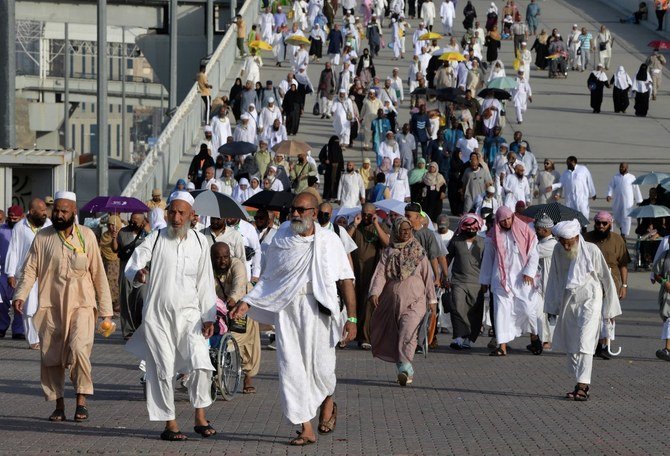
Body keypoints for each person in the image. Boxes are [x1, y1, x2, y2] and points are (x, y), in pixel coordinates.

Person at [229, 192, 357, 446]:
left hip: (319, 308)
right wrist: (247, 301)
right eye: (293, 210)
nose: (295, 214)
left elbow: (345, 280)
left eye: (301, 210)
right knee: (291, 368)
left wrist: (352, 318)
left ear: (314, 212)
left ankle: (327, 399)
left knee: (321, 368)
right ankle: (305, 427)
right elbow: (268, 278)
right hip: (288, 309)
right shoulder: (281, 238)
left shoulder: (330, 241)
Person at [13, 191, 112, 422]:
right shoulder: (43, 238)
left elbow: (99, 275)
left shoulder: (86, 236)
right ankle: (59, 405)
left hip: (82, 306)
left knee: (79, 349)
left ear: (74, 212)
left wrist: (106, 311)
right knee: (51, 358)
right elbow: (29, 270)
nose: (58, 215)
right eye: (55, 210)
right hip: (51, 307)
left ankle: (81, 400)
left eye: (63, 211)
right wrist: (21, 294)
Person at [125, 192, 217, 441]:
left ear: (191, 216)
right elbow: (132, 265)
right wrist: (138, 274)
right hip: (158, 317)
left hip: (190, 316)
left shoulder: (200, 242)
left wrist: (209, 316)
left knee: (201, 364)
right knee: (162, 370)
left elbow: (206, 283)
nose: (176, 218)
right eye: (172, 212)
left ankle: (200, 416)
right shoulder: (155, 239)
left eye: (181, 213)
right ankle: (170, 423)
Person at [545, 220, 622, 401]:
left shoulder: (592, 250)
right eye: (562, 241)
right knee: (572, 344)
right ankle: (579, 380)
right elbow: (554, 277)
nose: (566, 245)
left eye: (569, 241)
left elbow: (606, 277)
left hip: (591, 298)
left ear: (577, 237)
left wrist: (609, 309)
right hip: (569, 300)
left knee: (585, 341)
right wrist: (552, 305)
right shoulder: (557, 250)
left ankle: (583, 386)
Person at [368, 217, 437, 385]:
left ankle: (405, 367)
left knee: (408, 330)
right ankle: (404, 369)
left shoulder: (418, 251)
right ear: (397, 231)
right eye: (402, 230)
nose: (405, 233)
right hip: (392, 302)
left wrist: (432, 300)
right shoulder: (389, 252)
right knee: (398, 335)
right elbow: (380, 274)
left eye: (408, 230)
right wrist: (374, 293)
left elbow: (427, 277)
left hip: (416, 301)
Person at [479, 206, 539, 356]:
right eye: (502, 221)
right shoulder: (492, 237)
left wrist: (529, 272)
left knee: (527, 310)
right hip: (500, 280)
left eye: (508, 219)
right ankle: (502, 346)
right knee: (501, 312)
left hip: (522, 278)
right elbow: (488, 259)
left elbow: (534, 254)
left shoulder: (526, 232)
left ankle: (534, 337)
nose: (506, 223)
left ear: (512, 217)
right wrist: (484, 281)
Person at [211, 242, 260, 393]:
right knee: (221, 343)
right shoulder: (207, 268)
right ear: (212, 258)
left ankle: (248, 377)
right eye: (218, 258)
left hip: (243, 306)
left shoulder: (237, 265)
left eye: (226, 257)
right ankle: (218, 376)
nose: (223, 261)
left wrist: (232, 300)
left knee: (248, 343)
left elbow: (239, 285)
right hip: (219, 309)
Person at [5, 199, 52, 348]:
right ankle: (33, 340)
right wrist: (10, 273)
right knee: (29, 307)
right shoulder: (20, 227)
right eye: (42, 210)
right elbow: (13, 250)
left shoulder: (49, 225)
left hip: (46, 273)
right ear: (32, 212)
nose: (45, 213)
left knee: (44, 306)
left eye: (46, 210)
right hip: (26, 273)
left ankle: (46, 336)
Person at [347, 204, 390, 350]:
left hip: (371, 271)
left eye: (368, 215)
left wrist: (376, 224)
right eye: (364, 214)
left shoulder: (380, 227)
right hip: (354, 271)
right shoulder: (356, 226)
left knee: (367, 304)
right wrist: (354, 224)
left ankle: (365, 337)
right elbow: (343, 241)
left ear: (374, 214)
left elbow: (387, 243)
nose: (366, 217)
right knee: (352, 301)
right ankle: (349, 334)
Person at [447, 214, 486, 350]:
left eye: (473, 228)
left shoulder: (483, 242)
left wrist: (486, 283)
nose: (470, 230)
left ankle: (469, 339)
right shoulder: (455, 241)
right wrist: (443, 276)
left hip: (477, 283)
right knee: (456, 307)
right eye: (467, 227)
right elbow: (447, 259)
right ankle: (458, 338)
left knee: (474, 312)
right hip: (458, 281)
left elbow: (487, 264)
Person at [112, 212, 149, 339]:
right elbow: (116, 250)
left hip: (142, 271)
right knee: (126, 300)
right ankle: (128, 331)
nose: (133, 223)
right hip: (126, 270)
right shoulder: (123, 232)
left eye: (136, 221)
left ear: (143, 221)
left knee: (141, 299)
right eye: (131, 220)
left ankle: (140, 328)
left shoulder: (147, 234)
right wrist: (114, 237)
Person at [533, 214, 557, 350]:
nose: (536, 230)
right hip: (539, 285)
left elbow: (531, 253)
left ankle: (547, 340)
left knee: (548, 314)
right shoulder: (541, 243)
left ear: (545, 229)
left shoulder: (551, 244)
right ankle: (543, 339)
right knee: (539, 313)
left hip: (549, 284)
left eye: (538, 228)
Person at [606, 163, 643, 237]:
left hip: (628, 203)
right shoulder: (616, 177)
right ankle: (621, 230)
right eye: (620, 167)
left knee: (626, 218)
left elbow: (636, 189)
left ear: (626, 168)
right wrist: (609, 195)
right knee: (617, 217)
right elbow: (611, 186)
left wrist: (639, 200)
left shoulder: (632, 177)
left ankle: (623, 235)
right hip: (617, 202)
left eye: (622, 167)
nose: (620, 169)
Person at [652, 243, 670, 361]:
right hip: (668, 292)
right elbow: (656, 274)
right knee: (669, 319)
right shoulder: (665, 255)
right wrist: (664, 282)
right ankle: (667, 349)